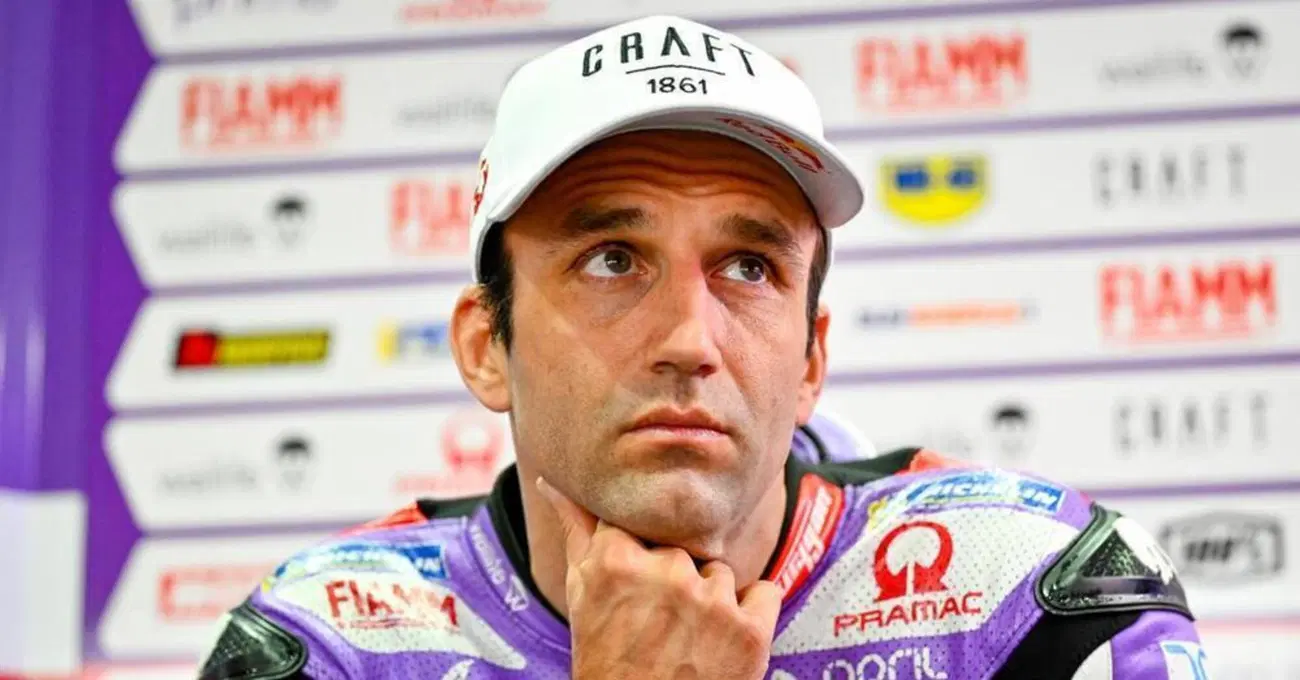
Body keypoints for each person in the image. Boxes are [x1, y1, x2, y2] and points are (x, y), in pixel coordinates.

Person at [198, 15, 1207, 680]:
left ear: (810, 360)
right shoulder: (331, 640)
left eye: (749, 267)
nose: (689, 340)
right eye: (611, 260)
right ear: (484, 345)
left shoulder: (1030, 590)